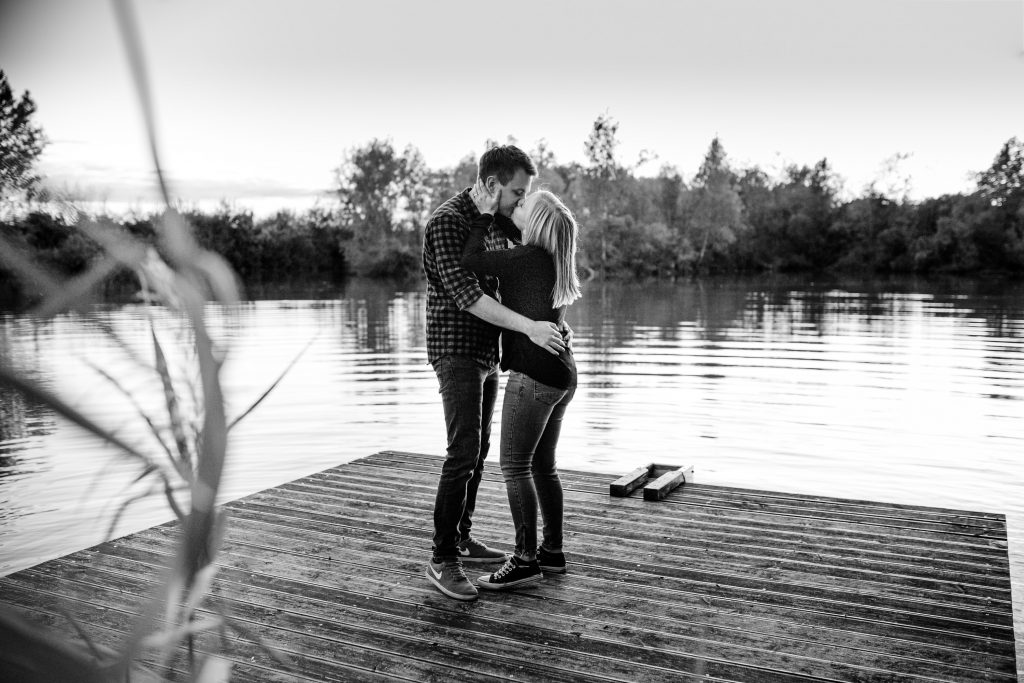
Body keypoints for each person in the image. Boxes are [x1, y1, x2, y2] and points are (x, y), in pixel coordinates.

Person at [422, 145, 571, 602]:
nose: (521, 200)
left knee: (481, 449)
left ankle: (462, 538)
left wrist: (554, 324)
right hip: (456, 349)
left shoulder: (500, 222)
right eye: (517, 192)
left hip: (489, 352)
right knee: (462, 452)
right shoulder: (448, 222)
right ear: (492, 185)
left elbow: (536, 268)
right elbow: (469, 296)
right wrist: (532, 328)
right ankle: (443, 558)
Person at [461, 187, 581, 592]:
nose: (519, 203)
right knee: (544, 465)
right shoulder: (553, 261)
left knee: (514, 466)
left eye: (525, 203)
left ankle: (526, 561)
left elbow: (470, 261)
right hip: (562, 374)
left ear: (537, 221)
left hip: (533, 377)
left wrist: (482, 214)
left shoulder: (526, 258)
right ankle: (552, 552)